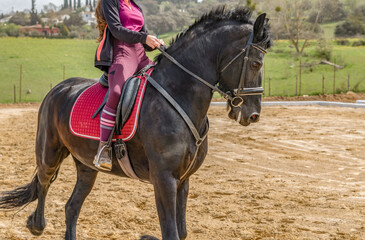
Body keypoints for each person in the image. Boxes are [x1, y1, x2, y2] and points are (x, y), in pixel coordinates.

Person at [93, 0, 164, 171]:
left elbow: (142, 36)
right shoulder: (110, 2)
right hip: (122, 53)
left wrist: (153, 42)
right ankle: (103, 149)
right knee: (116, 92)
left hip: (141, 55)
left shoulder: (134, 5)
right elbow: (117, 30)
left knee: (162, 85)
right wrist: (143, 37)